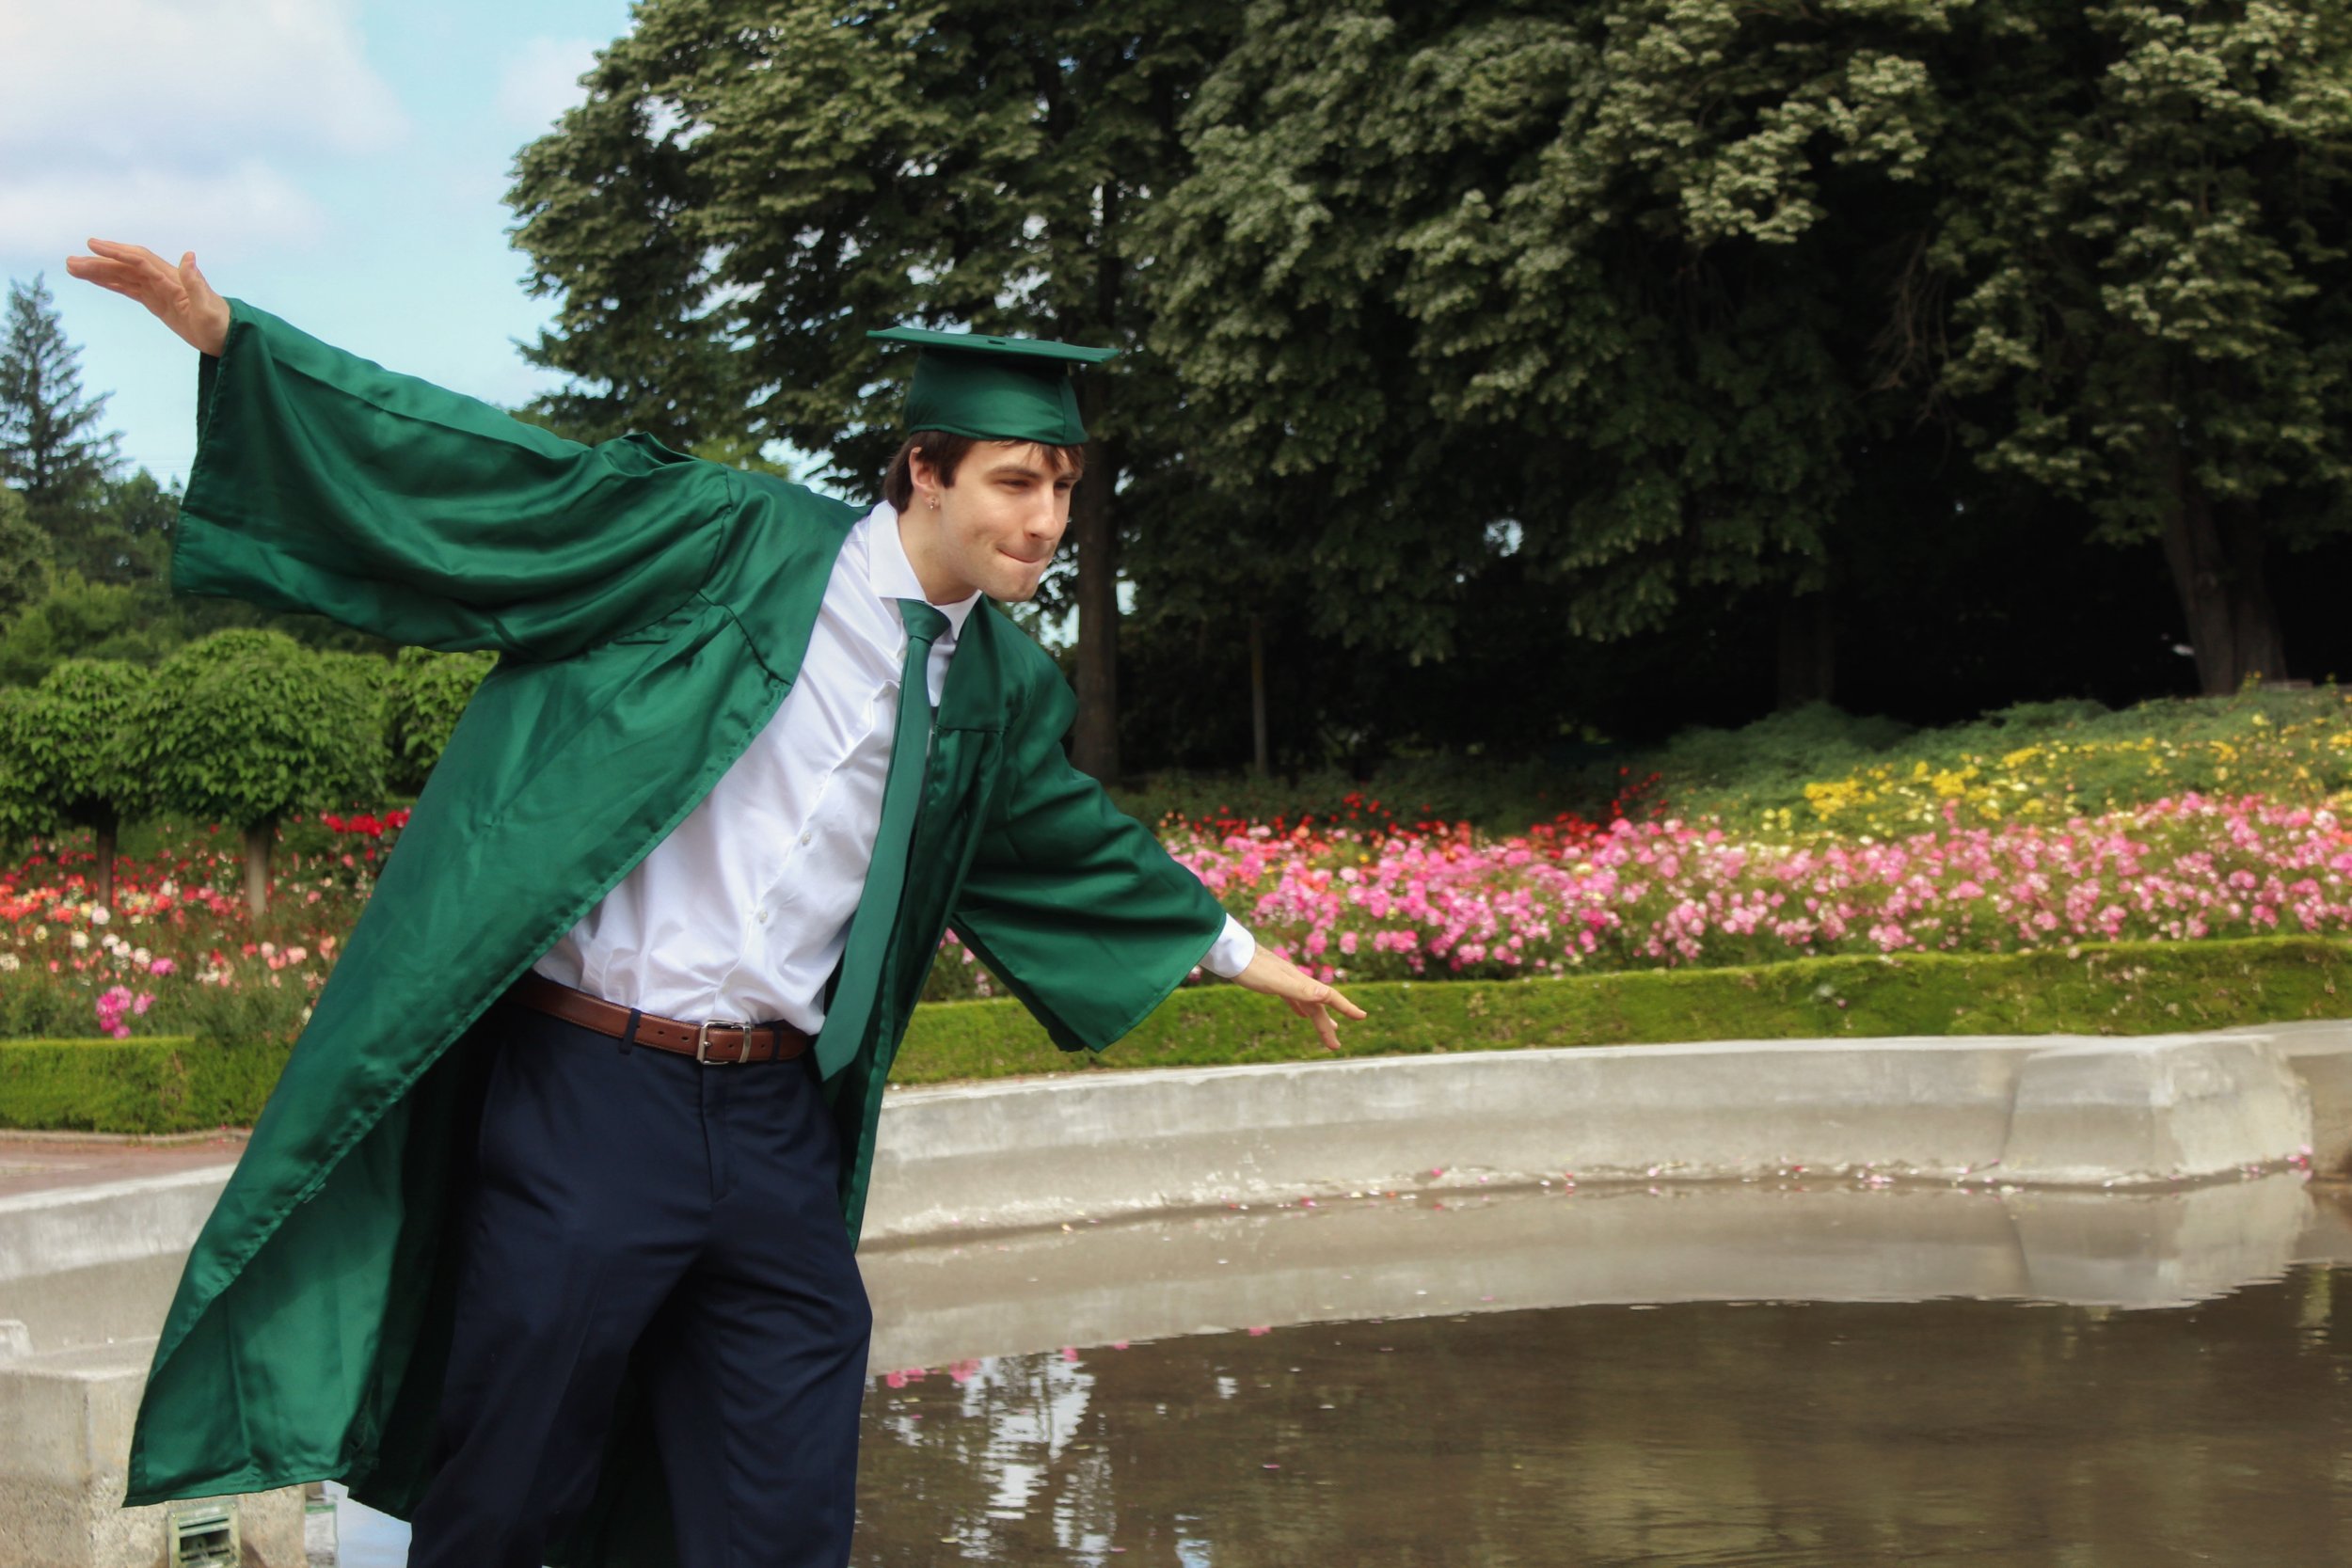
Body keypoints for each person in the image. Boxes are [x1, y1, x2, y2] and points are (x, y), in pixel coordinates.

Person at [65, 239, 1365, 1568]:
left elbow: (1066, 843)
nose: (1045, 521)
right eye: (1017, 482)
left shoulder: (999, 688)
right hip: (591, 1094)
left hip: (773, 1122)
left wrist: (1234, 950)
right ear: (927, 469)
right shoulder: (732, 542)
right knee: (512, 1477)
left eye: (1064, 489)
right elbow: (510, 484)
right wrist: (240, 347)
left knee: (782, 1487)